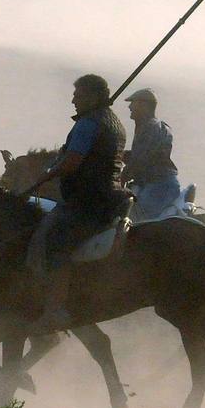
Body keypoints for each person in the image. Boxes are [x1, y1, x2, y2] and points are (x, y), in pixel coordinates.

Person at [23, 74, 127, 333]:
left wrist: (46, 175)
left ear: (93, 97)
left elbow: (71, 163)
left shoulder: (88, 124)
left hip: (88, 201)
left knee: (54, 240)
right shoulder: (115, 123)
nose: (73, 100)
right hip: (108, 198)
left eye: (78, 96)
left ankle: (55, 309)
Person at [122, 88, 180, 221]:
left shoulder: (150, 128)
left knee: (135, 221)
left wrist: (122, 177)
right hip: (157, 184)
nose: (129, 107)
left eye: (133, 103)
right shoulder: (154, 127)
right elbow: (146, 155)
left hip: (158, 187)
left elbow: (140, 159)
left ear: (144, 105)